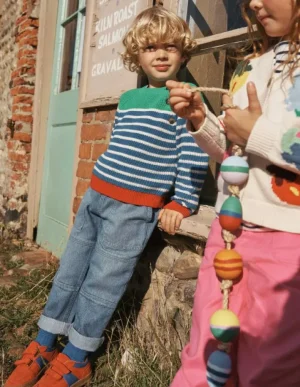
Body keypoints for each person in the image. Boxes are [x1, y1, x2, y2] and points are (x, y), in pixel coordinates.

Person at [5, 6, 209, 387]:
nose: (160, 54)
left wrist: (182, 202)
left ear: (182, 52)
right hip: (97, 196)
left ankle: (77, 357)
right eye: (150, 47)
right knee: (71, 269)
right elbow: (119, 145)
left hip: (134, 209)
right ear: (137, 55)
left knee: (103, 280)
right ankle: (45, 342)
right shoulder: (130, 98)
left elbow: (195, 153)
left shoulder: (187, 100)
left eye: (169, 46)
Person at [167, 0, 300, 386]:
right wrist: (200, 120)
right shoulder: (251, 64)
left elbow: (254, 138)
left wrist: (255, 133)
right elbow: (234, 150)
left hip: (288, 246)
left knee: (269, 368)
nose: (253, 2)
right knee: (203, 353)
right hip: (228, 234)